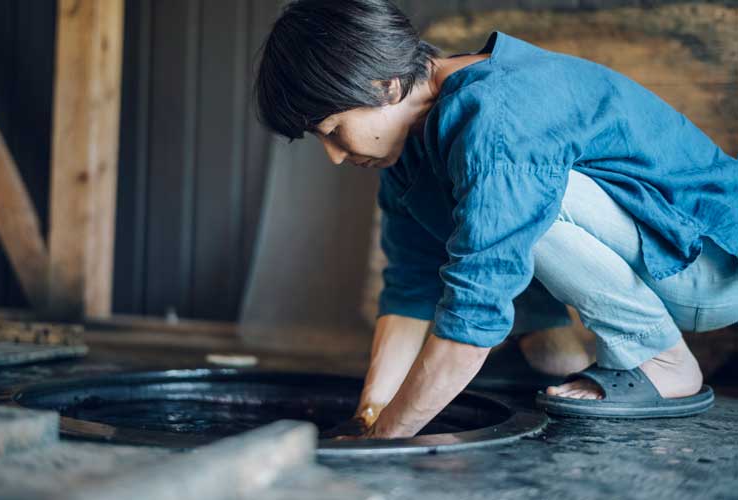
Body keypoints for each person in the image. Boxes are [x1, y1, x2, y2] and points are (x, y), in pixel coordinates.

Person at [254, 0, 738, 436]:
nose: (335, 156)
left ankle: (660, 360)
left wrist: (386, 442)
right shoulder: (404, 154)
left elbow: (474, 310)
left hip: (705, 263)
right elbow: (411, 288)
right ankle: (551, 347)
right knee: (485, 207)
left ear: (385, 86)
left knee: (517, 200)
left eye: (335, 131)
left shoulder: (497, 117)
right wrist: (371, 414)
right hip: (659, 259)